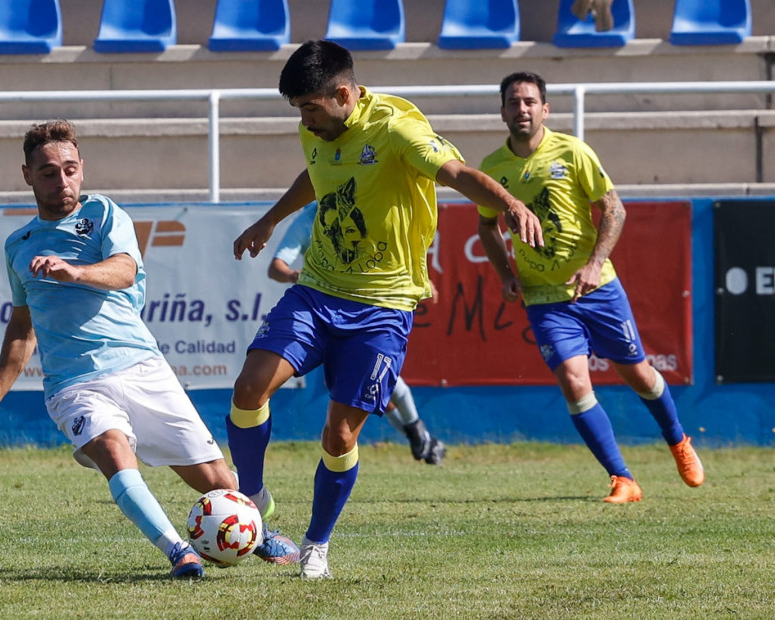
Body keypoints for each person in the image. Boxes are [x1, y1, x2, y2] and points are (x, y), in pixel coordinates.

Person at [228, 40, 543, 579]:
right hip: (320, 288)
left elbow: (457, 174)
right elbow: (317, 172)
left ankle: (316, 545)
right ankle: (253, 497)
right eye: (298, 109)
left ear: (344, 94)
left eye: (309, 107)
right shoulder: (317, 129)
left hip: (382, 306)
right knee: (250, 385)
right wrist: (270, 220)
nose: (304, 120)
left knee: (340, 436)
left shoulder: (398, 130)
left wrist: (509, 203)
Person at [0, 120, 287, 581]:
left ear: (82, 169)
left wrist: (75, 272)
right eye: (48, 172)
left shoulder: (106, 214)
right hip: (73, 383)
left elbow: (124, 270)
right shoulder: (18, 245)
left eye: (70, 169)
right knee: (113, 451)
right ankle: (179, 553)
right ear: (27, 176)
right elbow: (23, 327)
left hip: (141, 367)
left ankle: (258, 534)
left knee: (220, 484)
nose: (61, 180)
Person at [477, 72, 705, 504]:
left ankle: (678, 440)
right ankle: (623, 479)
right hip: (544, 299)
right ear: (502, 110)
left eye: (529, 102)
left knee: (637, 373)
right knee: (573, 380)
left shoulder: (573, 151)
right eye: (512, 102)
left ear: (545, 110)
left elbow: (613, 209)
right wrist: (505, 273)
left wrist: (595, 263)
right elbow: (487, 226)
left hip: (596, 289)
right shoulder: (492, 169)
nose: (521, 109)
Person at [268, 202, 446, 465]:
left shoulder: (366, 203)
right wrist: (295, 274)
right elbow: (276, 267)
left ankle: (419, 435)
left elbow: (396, 248)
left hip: (374, 310)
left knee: (380, 380)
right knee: (363, 390)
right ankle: (421, 437)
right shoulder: (309, 218)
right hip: (328, 316)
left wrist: (419, 277)